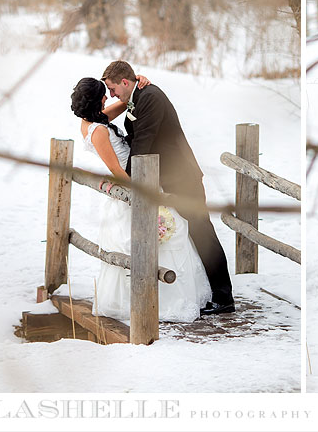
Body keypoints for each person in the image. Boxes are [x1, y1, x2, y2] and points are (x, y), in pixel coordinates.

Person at [70, 76, 211, 322]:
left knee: (170, 235)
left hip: (141, 177)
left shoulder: (94, 120)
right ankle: (162, 301)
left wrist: (138, 81)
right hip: (133, 188)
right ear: (95, 100)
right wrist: (141, 194)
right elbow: (117, 169)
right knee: (158, 239)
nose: (108, 97)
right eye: (104, 94)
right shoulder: (98, 130)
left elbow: (125, 103)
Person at [101, 60, 235, 315]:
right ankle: (208, 290)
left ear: (125, 82)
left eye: (113, 89)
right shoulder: (138, 95)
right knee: (193, 234)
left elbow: (143, 141)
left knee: (202, 232)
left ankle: (223, 297)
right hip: (165, 178)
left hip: (183, 177)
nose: (111, 96)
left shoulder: (150, 97)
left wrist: (127, 178)